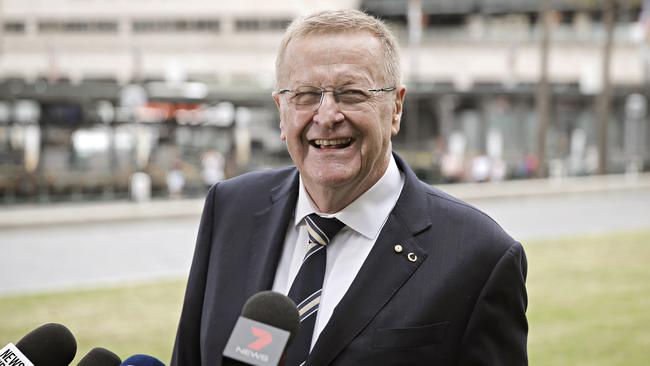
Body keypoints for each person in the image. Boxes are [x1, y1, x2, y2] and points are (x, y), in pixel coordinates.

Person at [172, 9, 527, 366]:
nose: (326, 116)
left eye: (352, 93)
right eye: (306, 95)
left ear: (396, 108)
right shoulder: (231, 209)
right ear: (281, 110)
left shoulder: (479, 256)